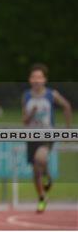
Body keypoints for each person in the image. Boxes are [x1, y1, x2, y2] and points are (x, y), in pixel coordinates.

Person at [22, 63, 72, 213]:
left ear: (44, 80)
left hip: (47, 135)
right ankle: (42, 197)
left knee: (40, 159)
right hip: (32, 136)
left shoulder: (52, 94)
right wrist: (32, 113)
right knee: (36, 172)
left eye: (39, 77)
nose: (37, 80)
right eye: (34, 77)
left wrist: (67, 130)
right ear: (30, 80)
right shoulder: (26, 96)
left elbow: (67, 106)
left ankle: (47, 175)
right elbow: (24, 121)